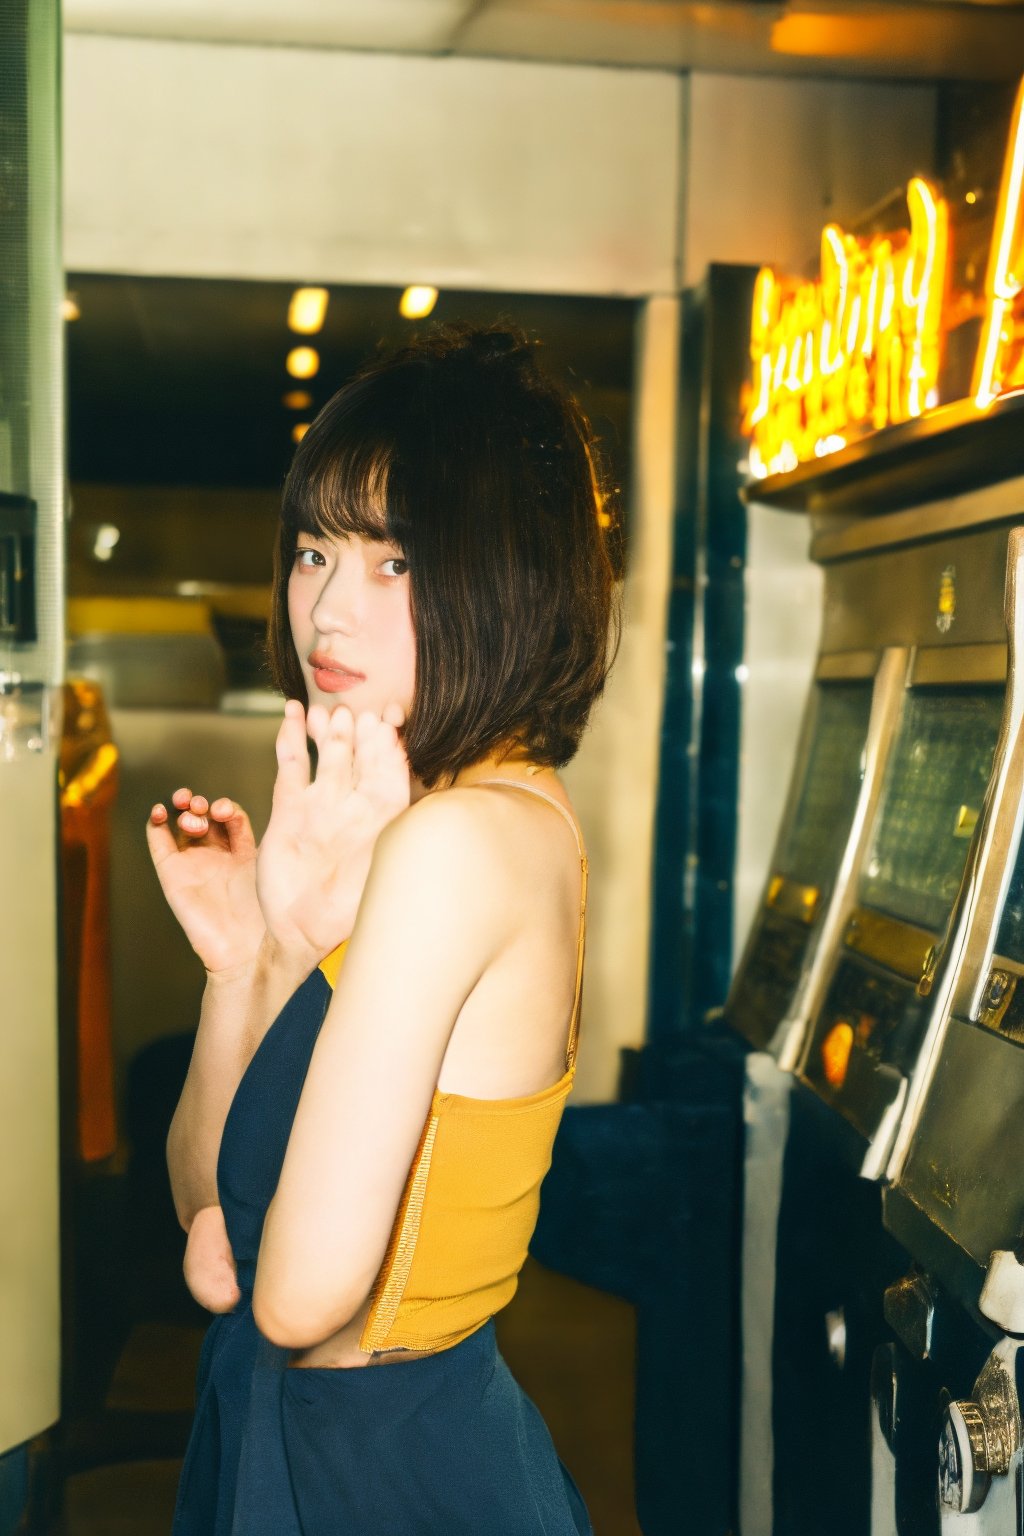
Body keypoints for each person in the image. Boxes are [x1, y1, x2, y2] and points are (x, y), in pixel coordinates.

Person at [147, 324, 618, 1534]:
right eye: (313, 551)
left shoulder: (450, 847)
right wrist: (250, 955)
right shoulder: (462, 814)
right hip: (319, 1434)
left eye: (392, 564)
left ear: (507, 577)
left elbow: (291, 1293)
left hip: (377, 1469)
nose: (325, 613)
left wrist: (220, 1247)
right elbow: (203, 1179)